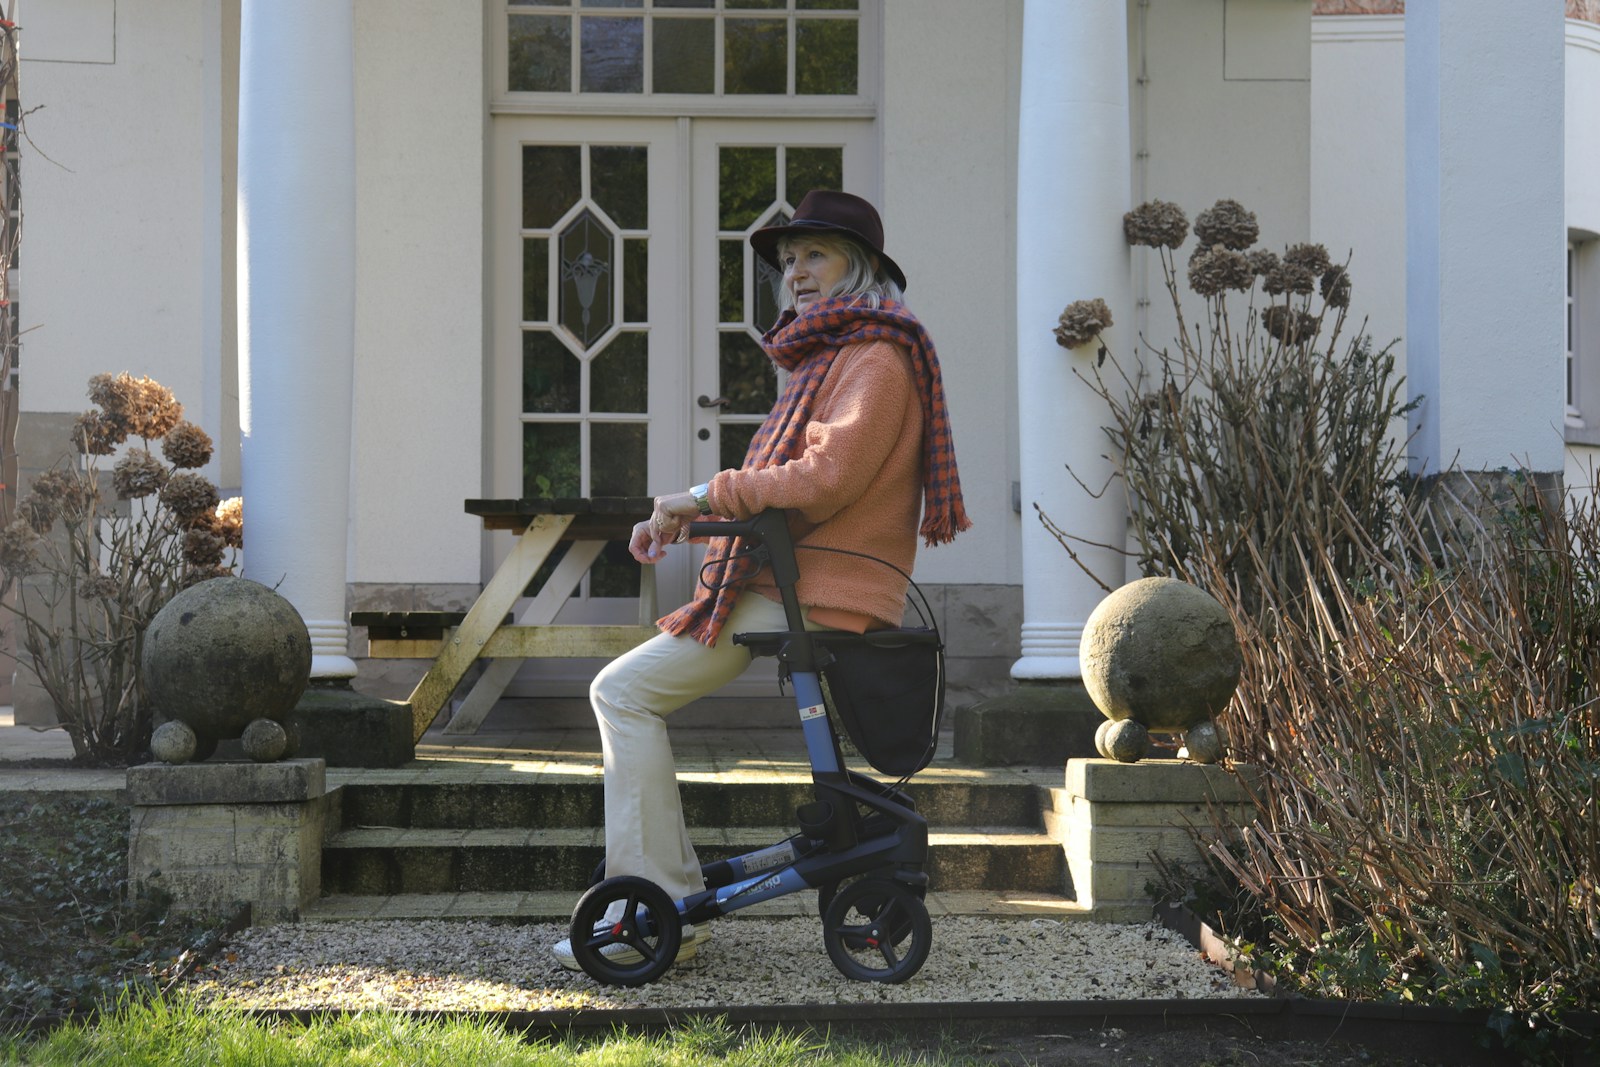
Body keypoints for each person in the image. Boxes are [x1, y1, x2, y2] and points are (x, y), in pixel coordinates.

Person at [553, 189, 970, 970]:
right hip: (796, 585)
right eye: (789, 261)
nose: (797, 274)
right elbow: (786, 479)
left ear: (862, 265)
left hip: (813, 593)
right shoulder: (840, 355)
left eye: (814, 255)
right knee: (627, 692)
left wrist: (704, 496)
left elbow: (822, 477)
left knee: (621, 691)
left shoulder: (876, 358)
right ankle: (667, 893)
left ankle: (653, 904)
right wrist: (690, 510)